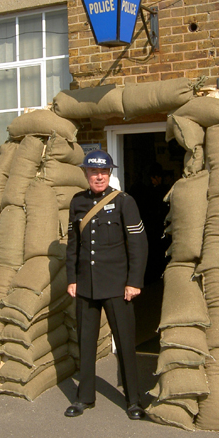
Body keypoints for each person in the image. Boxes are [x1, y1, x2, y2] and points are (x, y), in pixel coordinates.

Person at [65, 150, 148, 420]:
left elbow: (138, 244)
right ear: (86, 174)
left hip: (117, 285)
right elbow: (73, 245)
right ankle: (84, 397)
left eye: (103, 172)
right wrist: (72, 279)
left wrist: (134, 282)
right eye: (93, 172)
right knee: (85, 343)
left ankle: (133, 400)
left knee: (124, 343)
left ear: (109, 174)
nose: (98, 176)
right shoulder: (77, 202)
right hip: (86, 287)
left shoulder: (124, 202)